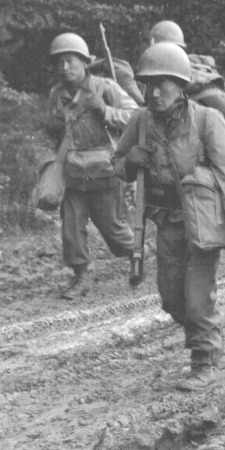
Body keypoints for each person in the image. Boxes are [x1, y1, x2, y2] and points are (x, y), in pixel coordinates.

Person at [114, 43, 225, 387]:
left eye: (162, 83)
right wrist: (129, 162)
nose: (154, 91)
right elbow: (117, 166)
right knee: (171, 298)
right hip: (167, 222)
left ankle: (204, 360)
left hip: (205, 223)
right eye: (148, 84)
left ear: (180, 86)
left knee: (196, 297)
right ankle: (204, 338)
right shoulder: (140, 121)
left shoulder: (207, 120)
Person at [44, 32, 137, 299]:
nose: (64, 68)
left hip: (105, 171)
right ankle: (81, 276)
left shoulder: (105, 87)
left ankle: (136, 253)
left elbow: (137, 117)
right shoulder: (57, 95)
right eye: (59, 62)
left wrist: (106, 111)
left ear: (84, 62)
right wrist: (55, 127)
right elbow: (50, 129)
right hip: (73, 171)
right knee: (71, 227)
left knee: (112, 228)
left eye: (70, 61)